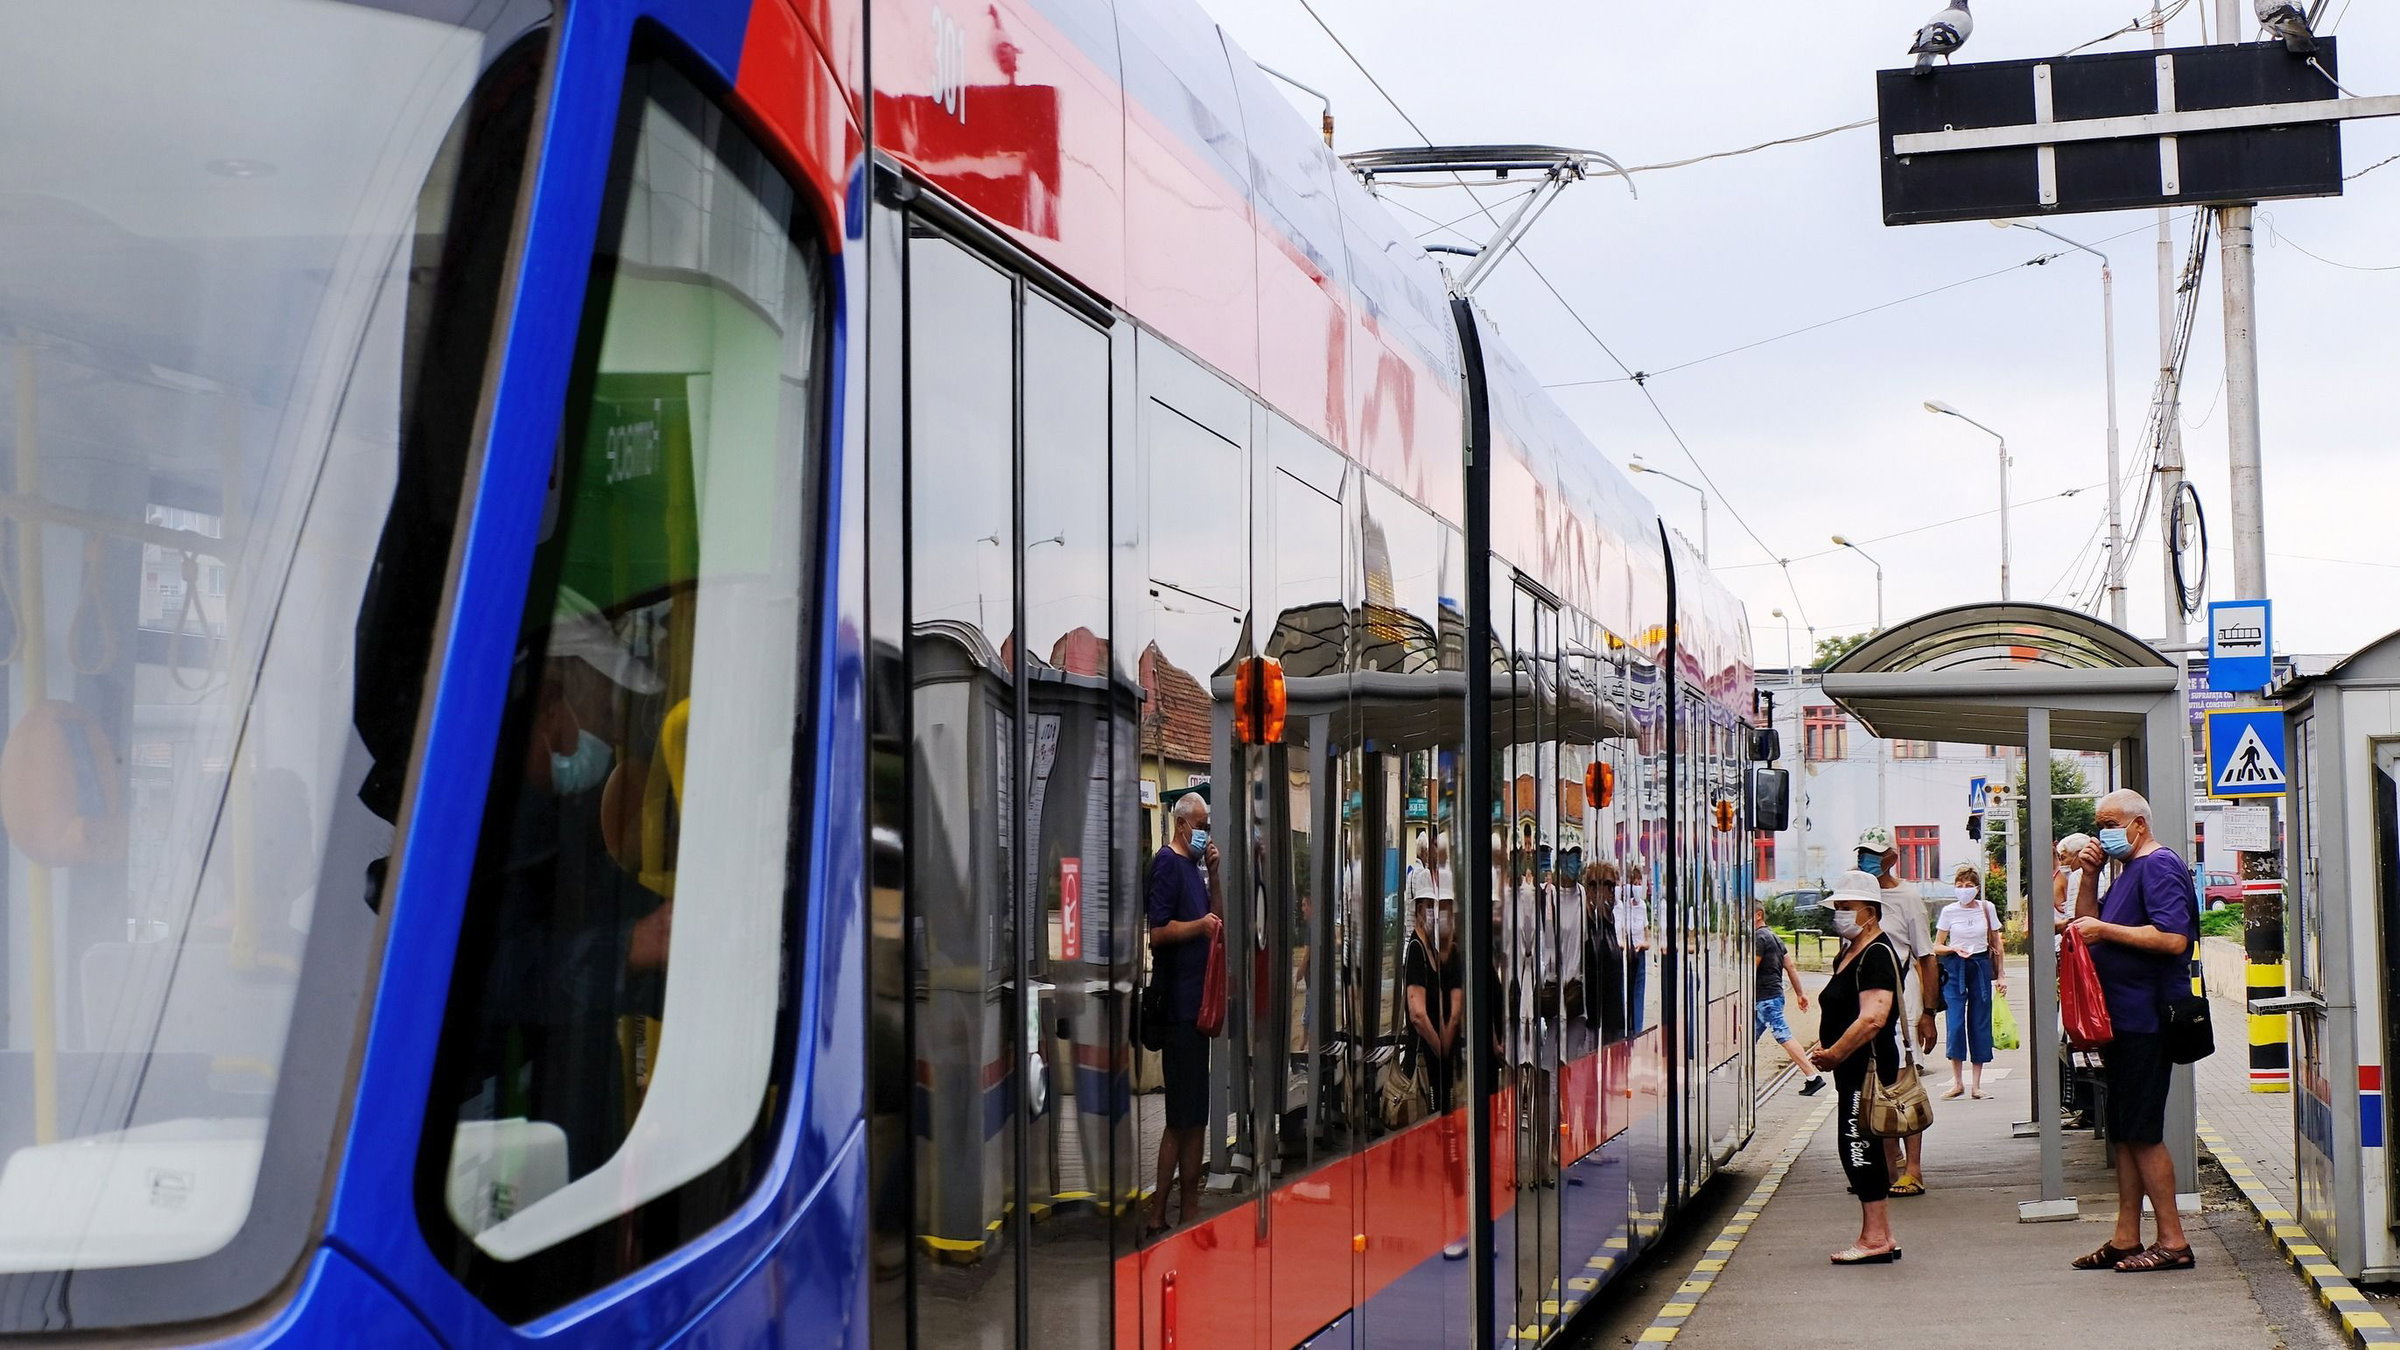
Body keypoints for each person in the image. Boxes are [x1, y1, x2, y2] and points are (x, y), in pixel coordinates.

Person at [2065, 789, 2202, 1273]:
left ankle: (2173, 1241)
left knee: (2143, 1132)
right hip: (2122, 1020)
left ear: (2138, 825)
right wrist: (2089, 874)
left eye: (2110, 824)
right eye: (2099, 824)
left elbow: (2173, 938)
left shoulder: (2159, 866)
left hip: (2148, 1020)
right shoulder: (2126, 871)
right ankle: (2126, 1237)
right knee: (2123, 1133)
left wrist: (2107, 932)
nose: (2102, 833)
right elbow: (2086, 922)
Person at [1807, 870, 1905, 1264]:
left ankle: (1875, 1238)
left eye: (1847, 907)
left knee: (1857, 1145)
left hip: (1866, 1066)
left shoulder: (1876, 953)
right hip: (1854, 1067)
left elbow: (1873, 1018)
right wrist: (1828, 1045)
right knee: (1860, 1145)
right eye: (1837, 907)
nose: (1839, 914)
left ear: (1870, 912)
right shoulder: (1850, 952)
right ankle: (1880, 1235)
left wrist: (1835, 1053)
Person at [1144, 791, 1221, 1238]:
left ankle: (1190, 1208)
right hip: (1177, 1007)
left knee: (1196, 1115)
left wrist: (1215, 873)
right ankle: (1159, 1211)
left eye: (1207, 826)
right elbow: (1158, 932)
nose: (1205, 832)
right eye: (1201, 825)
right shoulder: (1168, 865)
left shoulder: (1194, 868)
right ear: (1181, 824)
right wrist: (1198, 926)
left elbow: (1216, 923)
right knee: (1179, 1116)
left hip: (1199, 1007)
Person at [1856, 826, 1941, 1196]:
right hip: (1865, 1002)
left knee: (1902, 1084)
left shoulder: (1907, 897)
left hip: (1902, 1002)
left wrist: (1928, 1014)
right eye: (1863, 853)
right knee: (1876, 1084)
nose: (1867, 860)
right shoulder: (1856, 894)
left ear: (1892, 857)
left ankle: (1914, 1169)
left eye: (1875, 854)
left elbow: (1926, 957)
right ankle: (1890, 1166)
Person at [1933, 865, 2006, 1099]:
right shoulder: (1949, 911)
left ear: (1977, 888)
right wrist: (1953, 948)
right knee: (1955, 1023)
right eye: (1959, 885)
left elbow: (1996, 942)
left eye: (1968, 885)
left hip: (1980, 965)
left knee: (1980, 1021)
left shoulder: (1986, 908)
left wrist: (2001, 975)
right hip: (1955, 967)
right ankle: (1957, 1082)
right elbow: (1937, 945)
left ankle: (1976, 1085)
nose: (1964, 890)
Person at [1402, 877, 1463, 1113]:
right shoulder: (1416, 949)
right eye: (1430, 907)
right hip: (1423, 1061)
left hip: (1435, 1064)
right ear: (1419, 910)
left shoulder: (1432, 948)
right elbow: (1417, 1014)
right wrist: (1440, 1048)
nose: (1435, 914)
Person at [1754, 903, 1826, 1095]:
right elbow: (1790, 967)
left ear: (1758, 915)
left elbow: (1751, 970)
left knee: (1783, 1035)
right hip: (1773, 996)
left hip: (1765, 999)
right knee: (1746, 1039)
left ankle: (1812, 1077)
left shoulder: (1759, 937)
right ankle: (1740, 1078)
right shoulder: (1775, 937)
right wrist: (1800, 993)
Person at [1616, 861, 1651, 1035]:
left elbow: (1648, 937)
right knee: (1626, 993)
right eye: (1634, 883)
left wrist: (1642, 945)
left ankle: (1637, 1031)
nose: (1637, 887)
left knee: (1638, 994)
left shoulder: (1643, 906)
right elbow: (1622, 931)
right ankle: (1627, 1030)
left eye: (1639, 883)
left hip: (1640, 955)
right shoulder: (1625, 907)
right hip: (1627, 954)